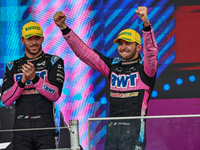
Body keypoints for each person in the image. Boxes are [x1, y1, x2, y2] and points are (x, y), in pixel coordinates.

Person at [54, 6, 158, 150]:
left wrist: (146, 25)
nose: (123, 47)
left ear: (138, 47)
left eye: (128, 43)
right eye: (120, 44)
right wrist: (64, 29)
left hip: (134, 132)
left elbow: (151, 53)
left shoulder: (146, 69)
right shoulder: (112, 66)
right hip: (112, 132)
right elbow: (85, 53)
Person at [1, 21, 65, 150]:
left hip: (46, 127)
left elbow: (55, 95)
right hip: (21, 129)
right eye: (29, 39)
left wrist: (35, 78)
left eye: (37, 38)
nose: (34, 43)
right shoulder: (12, 66)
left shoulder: (53, 61)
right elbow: (6, 100)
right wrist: (21, 82)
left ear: (42, 38)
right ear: (22, 40)